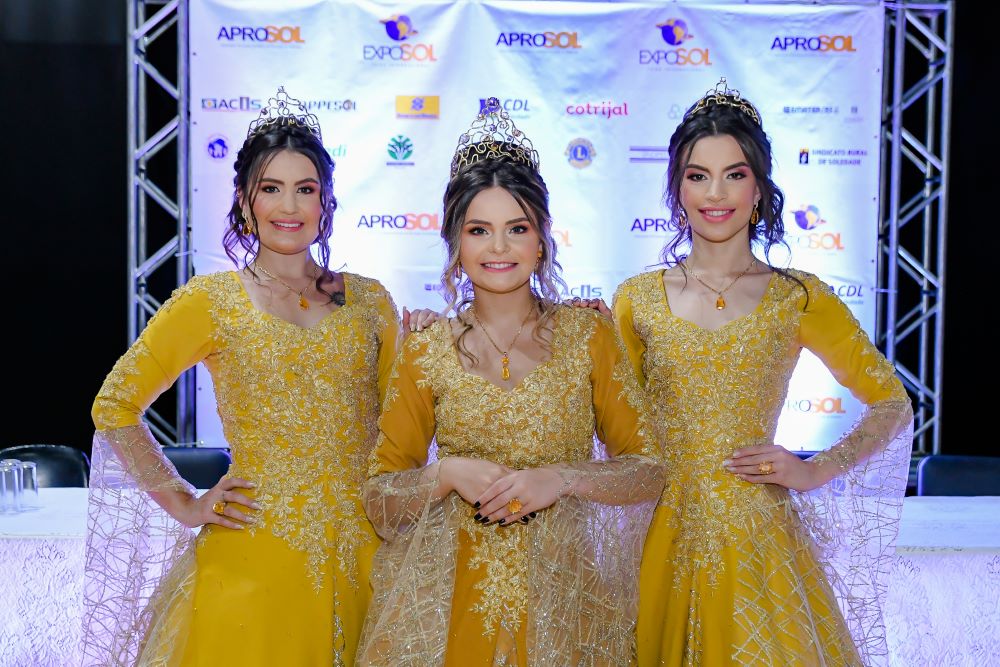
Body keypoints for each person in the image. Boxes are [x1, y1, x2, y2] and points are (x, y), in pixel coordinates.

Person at [82, 87, 406, 666]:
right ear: (244, 201)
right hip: (253, 559)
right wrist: (184, 502)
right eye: (270, 188)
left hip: (367, 556)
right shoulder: (211, 301)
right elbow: (114, 405)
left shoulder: (370, 301)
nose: (289, 206)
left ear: (326, 201)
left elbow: (404, 427)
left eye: (305, 189)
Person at [609, 79, 914, 666]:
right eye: (698, 175)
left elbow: (892, 403)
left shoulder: (797, 298)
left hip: (760, 543)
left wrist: (816, 468)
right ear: (677, 189)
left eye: (734, 174)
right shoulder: (635, 301)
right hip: (660, 537)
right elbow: (613, 425)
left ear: (759, 189)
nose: (715, 193)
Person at [357, 98, 665, 666]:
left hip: (567, 610)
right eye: (479, 230)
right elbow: (380, 499)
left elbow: (647, 470)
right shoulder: (426, 347)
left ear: (542, 239)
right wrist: (446, 474)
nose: (498, 248)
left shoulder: (588, 335)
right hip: (450, 610)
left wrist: (561, 479)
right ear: (456, 243)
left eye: (516, 229)